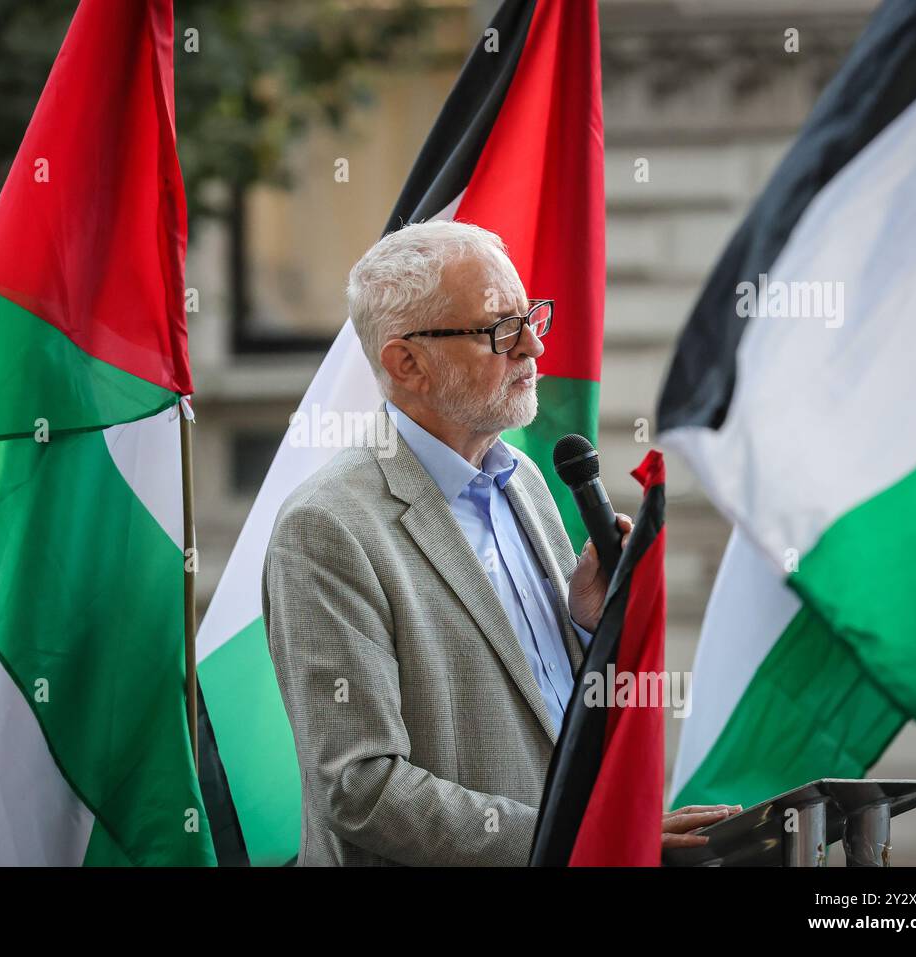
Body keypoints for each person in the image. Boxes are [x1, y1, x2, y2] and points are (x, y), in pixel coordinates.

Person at [263, 221, 737, 865]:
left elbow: (535, 711)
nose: (535, 346)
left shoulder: (526, 478)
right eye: (500, 330)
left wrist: (585, 626)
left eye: (531, 318)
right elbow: (360, 787)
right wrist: (579, 843)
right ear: (408, 363)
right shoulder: (326, 526)